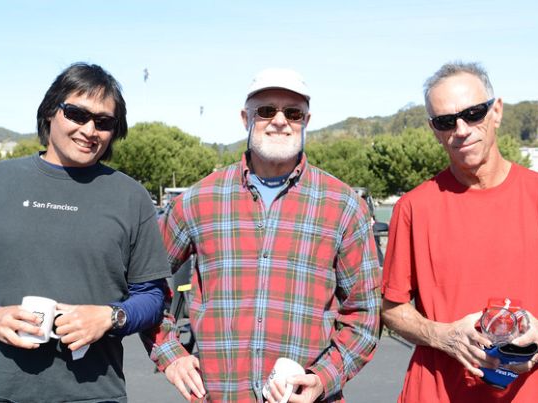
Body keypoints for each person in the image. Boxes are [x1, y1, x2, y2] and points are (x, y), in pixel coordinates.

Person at [0, 62, 171, 403]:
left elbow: (153, 297)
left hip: (93, 393)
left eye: (104, 122)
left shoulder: (131, 197)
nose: (89, 129)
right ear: (50, 112)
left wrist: (110, 316)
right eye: (76, 114)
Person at [144, 68, 381, 402]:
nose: (280, 120)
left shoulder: (343, 206)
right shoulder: (198, 200)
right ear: (246, 118)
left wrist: (323, 378)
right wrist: (169, 352)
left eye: (293, 112)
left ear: (306, 121)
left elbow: (365, 314)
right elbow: (143, 279)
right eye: (267, 111)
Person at [381, 61, 538, 402]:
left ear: (496, 111)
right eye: (446, 121)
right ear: (434, 130)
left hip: (530, 392)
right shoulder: (413, 208)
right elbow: (392, 308)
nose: (462, 129)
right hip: (437, 392)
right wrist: (442, 336)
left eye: (474, 113)